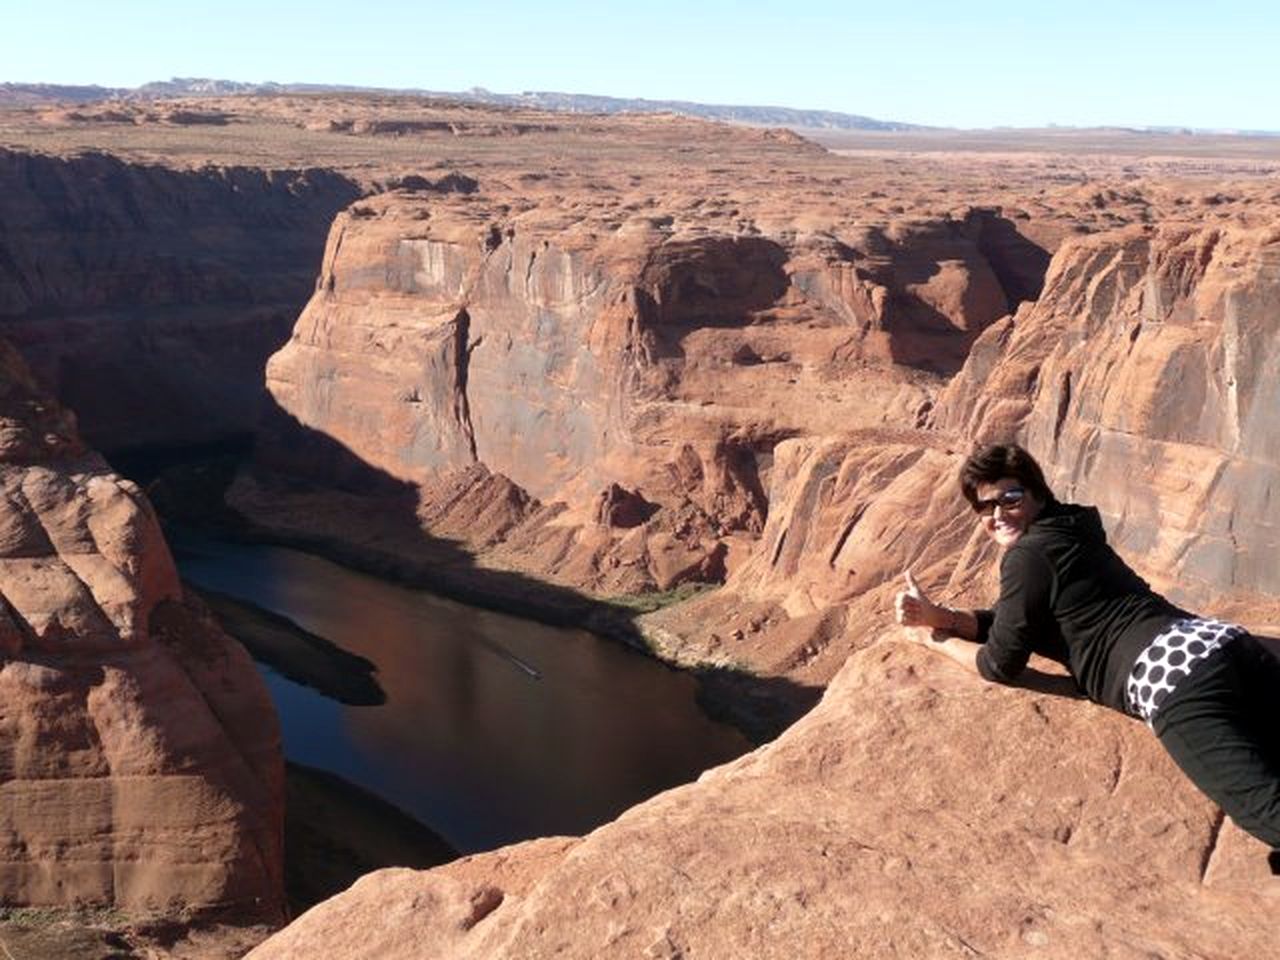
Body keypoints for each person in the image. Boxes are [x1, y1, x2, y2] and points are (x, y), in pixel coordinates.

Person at [894, 442, 1280, 874]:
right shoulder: (1071, 527)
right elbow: (1013, 620)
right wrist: (941, 616)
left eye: (1010, 498)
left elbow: (1000, 663)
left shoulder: (1027, 556)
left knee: (1267, 810)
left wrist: (931, 640)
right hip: (1218, 641)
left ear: (1037, 494)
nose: (997, 514)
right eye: (984, 507)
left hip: (1171, 674)